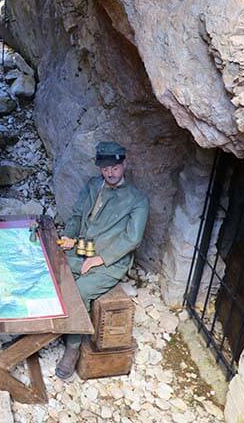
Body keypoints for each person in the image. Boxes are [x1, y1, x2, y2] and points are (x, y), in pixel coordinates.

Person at [54, 141, 149, 379]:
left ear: (124, 164)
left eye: (115, 167)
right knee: (55, 274)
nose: (110, 172)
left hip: (111, 261)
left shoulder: (137, 199)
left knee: (79, 291)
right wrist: (69, 235)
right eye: (106, 168)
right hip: (82, 248)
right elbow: (77, 215)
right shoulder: (92, 185)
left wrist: (99, 259)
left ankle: (72, 347)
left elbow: (132, 239)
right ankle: (49, 327)